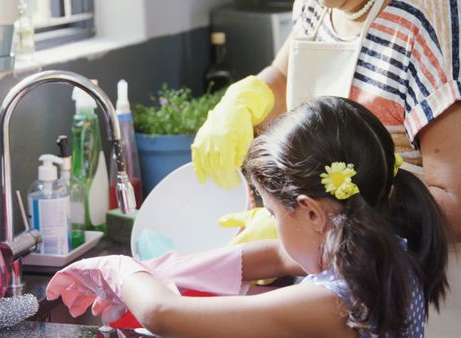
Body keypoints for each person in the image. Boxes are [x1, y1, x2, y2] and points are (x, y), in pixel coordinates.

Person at [46, 97, 449, 338]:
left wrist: (118, 270)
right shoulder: (384, 249)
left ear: (310, 211)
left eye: (273, 213)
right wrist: (155, 270)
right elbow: (275, 256)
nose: (272, 224)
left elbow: (164, 316)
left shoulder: (334, 302)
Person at [191, 0, 461, 242]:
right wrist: (245, 100)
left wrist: (319, 223)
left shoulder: (430, 20)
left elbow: (455, 206)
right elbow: (285, 77)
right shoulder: (317, 6)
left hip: (416, 275)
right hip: (333, 258)